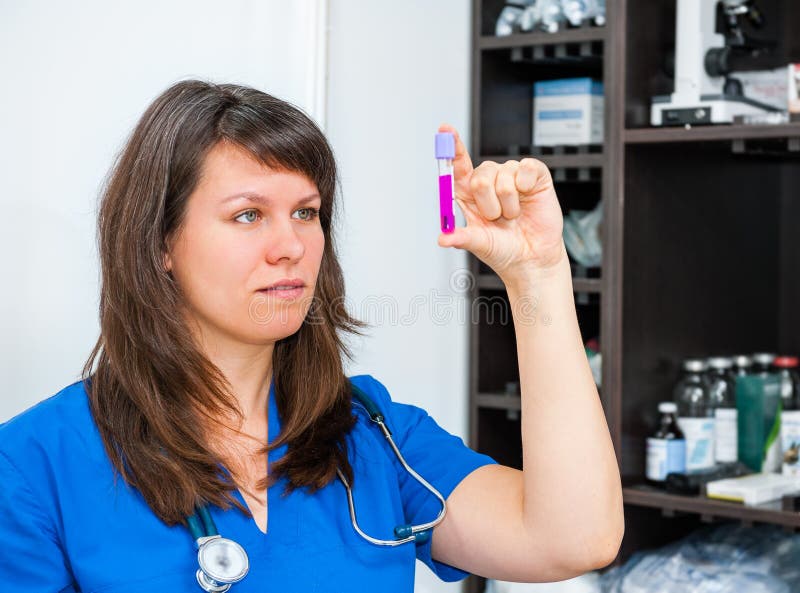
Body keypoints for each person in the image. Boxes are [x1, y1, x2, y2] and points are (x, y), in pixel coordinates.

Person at [0, 80, 623, 592]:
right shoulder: (34, 464)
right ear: (160, 243)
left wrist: (536, 275)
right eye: (248, 215)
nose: (292, 247)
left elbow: (574, 539)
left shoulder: (371, 431)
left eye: (306, 212)